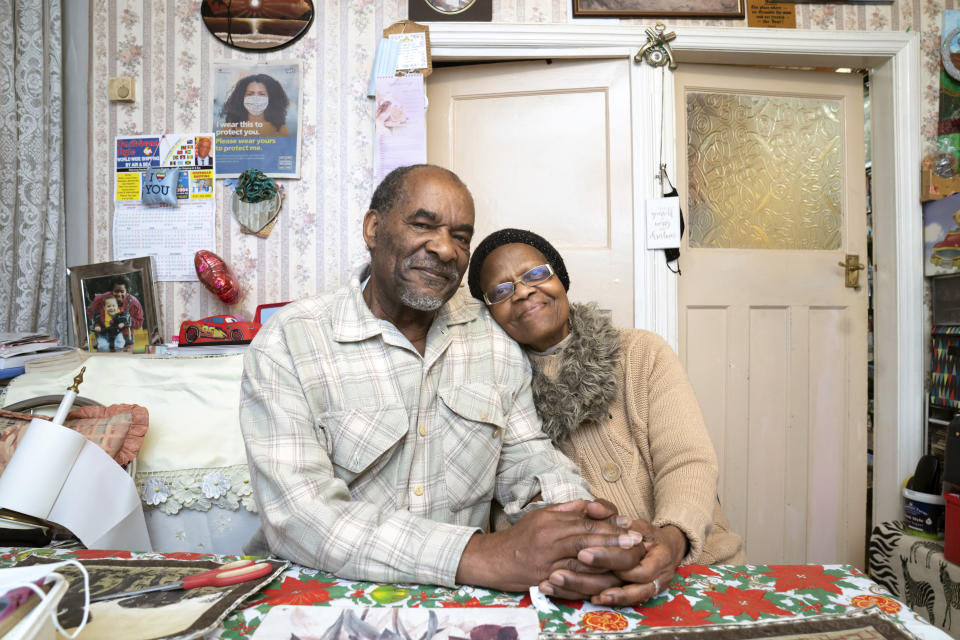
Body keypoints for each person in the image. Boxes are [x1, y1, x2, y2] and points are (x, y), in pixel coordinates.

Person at [239, 164, 652, 596]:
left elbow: (531, 460)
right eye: (423, 224)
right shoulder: (291, 340)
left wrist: (582, 532)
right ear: (373, 228)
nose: (445, 249)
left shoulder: (491, 336)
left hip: (460, 602)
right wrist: (482, 555)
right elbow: (300, 517)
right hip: (319, 595)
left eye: (461, 236)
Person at [467, 228, 745, 606]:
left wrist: (672, 537)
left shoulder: (641, 352)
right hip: (577, 583)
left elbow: (687, 460)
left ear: (560, 279)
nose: (522, 291)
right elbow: (506, 507)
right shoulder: (492, 392)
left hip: (694, 564)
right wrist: (578, 560)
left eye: (535, 274)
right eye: (500, 291)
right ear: (488, 312)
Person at [219, 74, 290, 137]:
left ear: (271, 98)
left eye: (261, 94)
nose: (256, 98)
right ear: (241, 98)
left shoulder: (281, 130)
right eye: (250, 94)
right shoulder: (230, 129)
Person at [87, 276, 144, 347]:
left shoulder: (134, 303)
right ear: (111, 291)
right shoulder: (101, 299)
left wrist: (127, 321)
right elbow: (90, 311)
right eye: (116, 291)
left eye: (122, 292)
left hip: (125, 336)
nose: (119, 295)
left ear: (127, 291)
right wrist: (97, 322)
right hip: (105, 334)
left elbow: (139, 322)